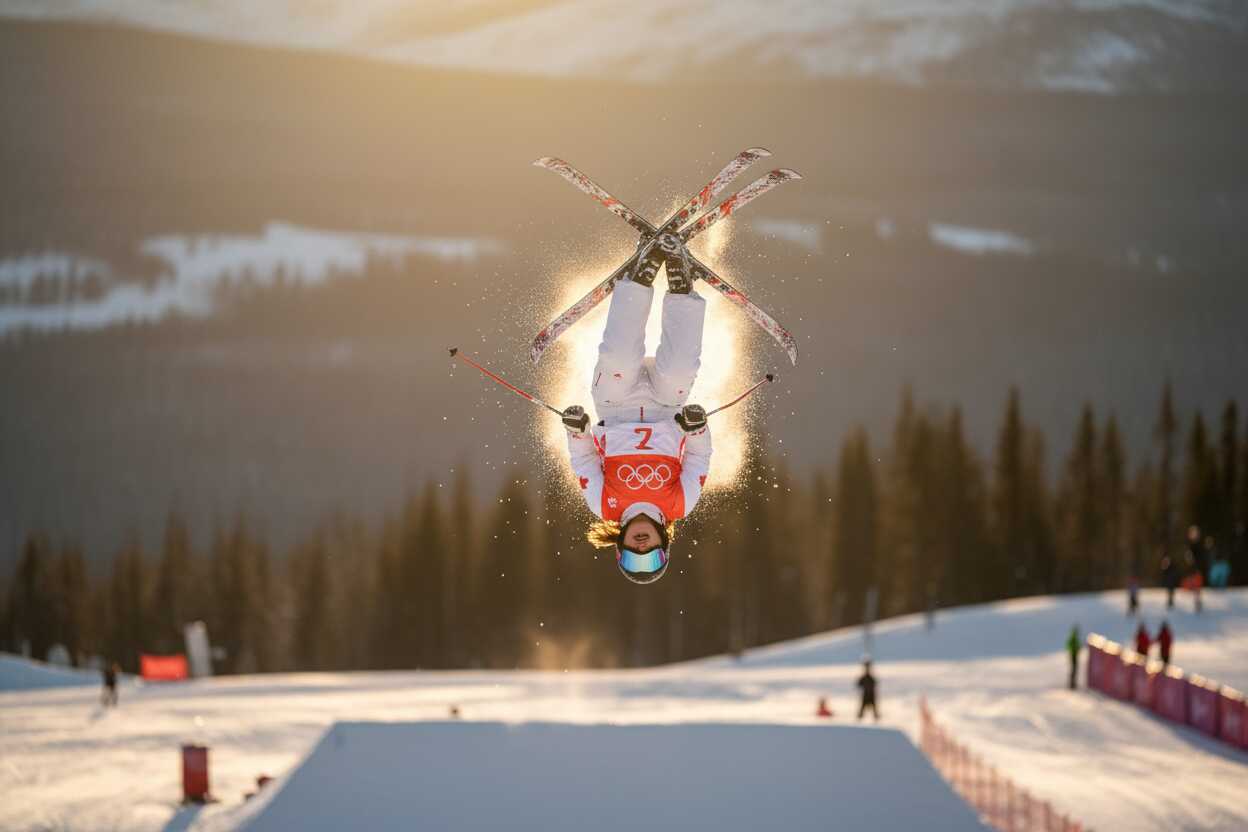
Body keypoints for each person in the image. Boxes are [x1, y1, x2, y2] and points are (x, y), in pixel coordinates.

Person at [562, 232, 711, 585]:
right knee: (680, 369)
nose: (641, 550)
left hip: (615, 406)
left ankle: (641, 278)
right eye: (651, 557)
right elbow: (698, 459)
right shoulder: (679, 504)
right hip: (666, 406)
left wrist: (577, 429)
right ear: (665, 545)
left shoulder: (605, 506)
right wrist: (697, 429)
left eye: (633, 557)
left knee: (617, 358)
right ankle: (679, 283)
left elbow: (583, 460)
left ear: (620, 546)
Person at [1065, 624, 1081, 690]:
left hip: (1073, 654)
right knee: (1074, 669)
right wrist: (1075, 650)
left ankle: (1072, 683)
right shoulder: (1073, 638)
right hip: (1073, 655)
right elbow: (1069, 646)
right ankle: (1072, 684)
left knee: (1074, 669)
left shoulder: (1073, 637)